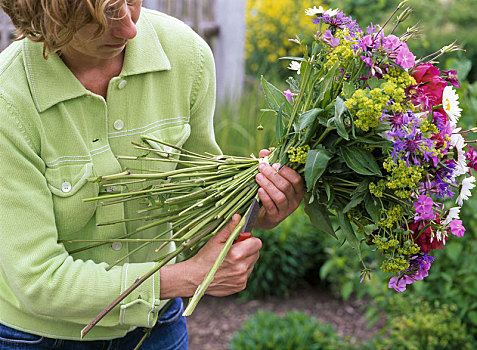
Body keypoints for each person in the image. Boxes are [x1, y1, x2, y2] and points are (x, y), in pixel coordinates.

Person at [0, 0, 305, 349]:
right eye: (100, 17)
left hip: (156, 329)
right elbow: (40, 280)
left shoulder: (185, 55)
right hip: (39, 338)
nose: (130, 28)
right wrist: (188, 277)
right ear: (46, 16)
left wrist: (258, 206)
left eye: (131, 2)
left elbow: (199, 207)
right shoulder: (8, 100)